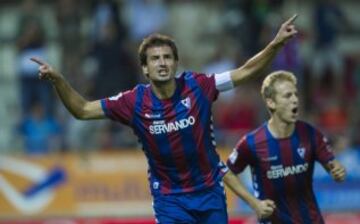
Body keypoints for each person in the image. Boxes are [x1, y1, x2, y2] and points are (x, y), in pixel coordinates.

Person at [31, 15, 298, 224]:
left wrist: (275, 44)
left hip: (210, 193)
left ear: (175, 63)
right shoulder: (132, 102)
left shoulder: (200, 86)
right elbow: (83, 110)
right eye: (155, 58)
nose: (162, 63)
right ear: (145, 68)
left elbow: (245, 72)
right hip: (170, 199)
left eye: (168, 57)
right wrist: (59, 81)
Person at [226, 70, 346, 224]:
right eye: (288, 96)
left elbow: (333, 166)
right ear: (271, 103)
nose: (295, 100)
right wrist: (254, 203)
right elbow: (226, 173)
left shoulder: (310, 134)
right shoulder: (252, 142)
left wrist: (338, 172)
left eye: (296, 94)